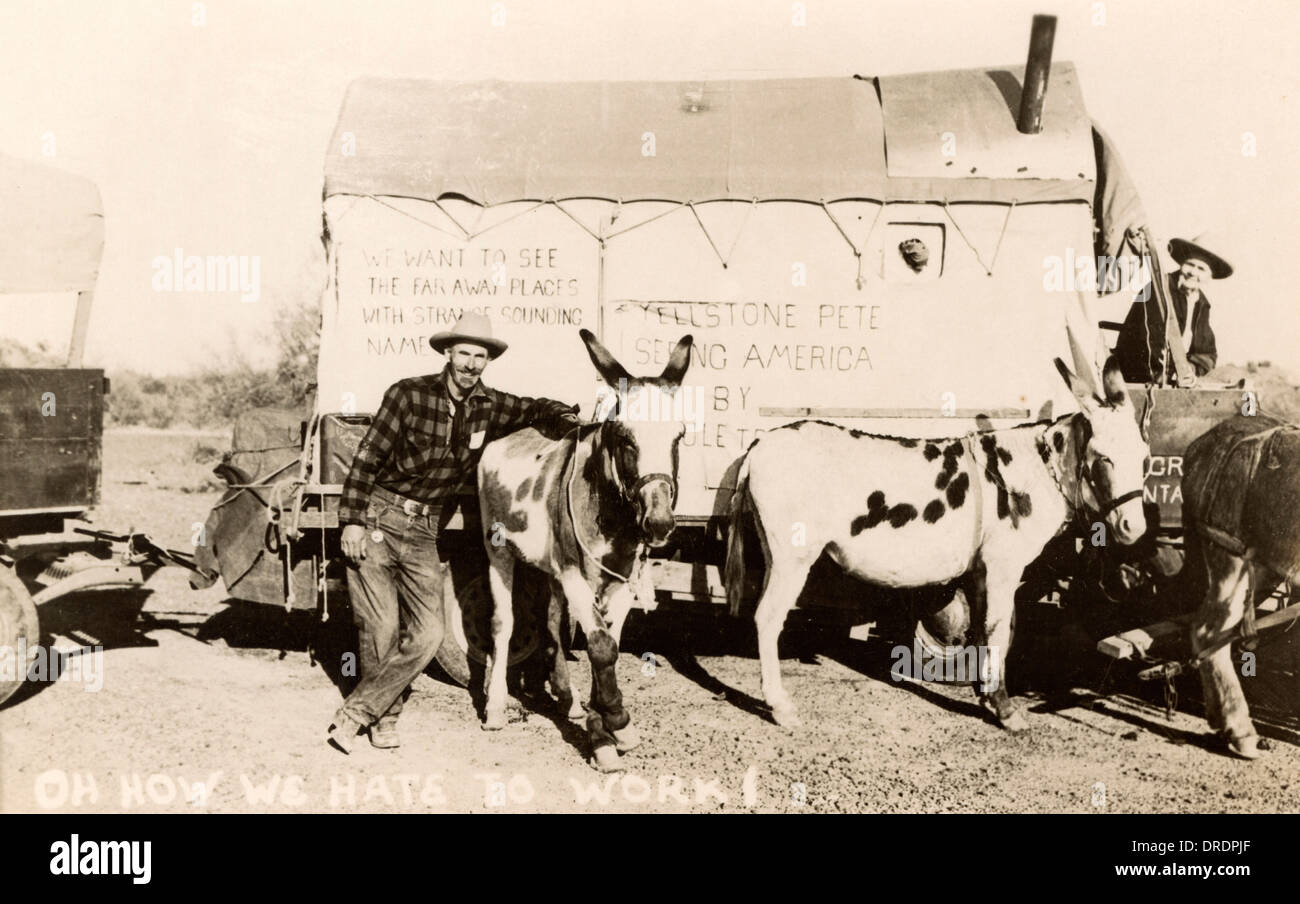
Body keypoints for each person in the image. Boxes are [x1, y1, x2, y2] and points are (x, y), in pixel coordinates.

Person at [328, 312, 580, 753]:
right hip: (377, 519)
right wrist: (351, 520)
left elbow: (533, 408)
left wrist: (564, 416)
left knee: (428, 634)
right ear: (448, 354)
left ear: (487, 361)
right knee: (380, 626)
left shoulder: (489, 405)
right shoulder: (408, 395)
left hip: (425, 528)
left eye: (479, 356)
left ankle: (354, 712)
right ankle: (383, 719)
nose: (470, 363)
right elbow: (365, 460)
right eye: (463, 353)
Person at [1114, 233, 1232, 385]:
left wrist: (1190, 369)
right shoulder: (1158, 289)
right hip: (1140, 376)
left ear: (1209, 276)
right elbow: (1146, 342)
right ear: (1181, 264)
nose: (1193, 273)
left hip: (1176, 378)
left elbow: (1207, 353)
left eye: (1201, 269)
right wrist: (1171, 373)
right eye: (1190, 264)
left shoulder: (1202, 304)